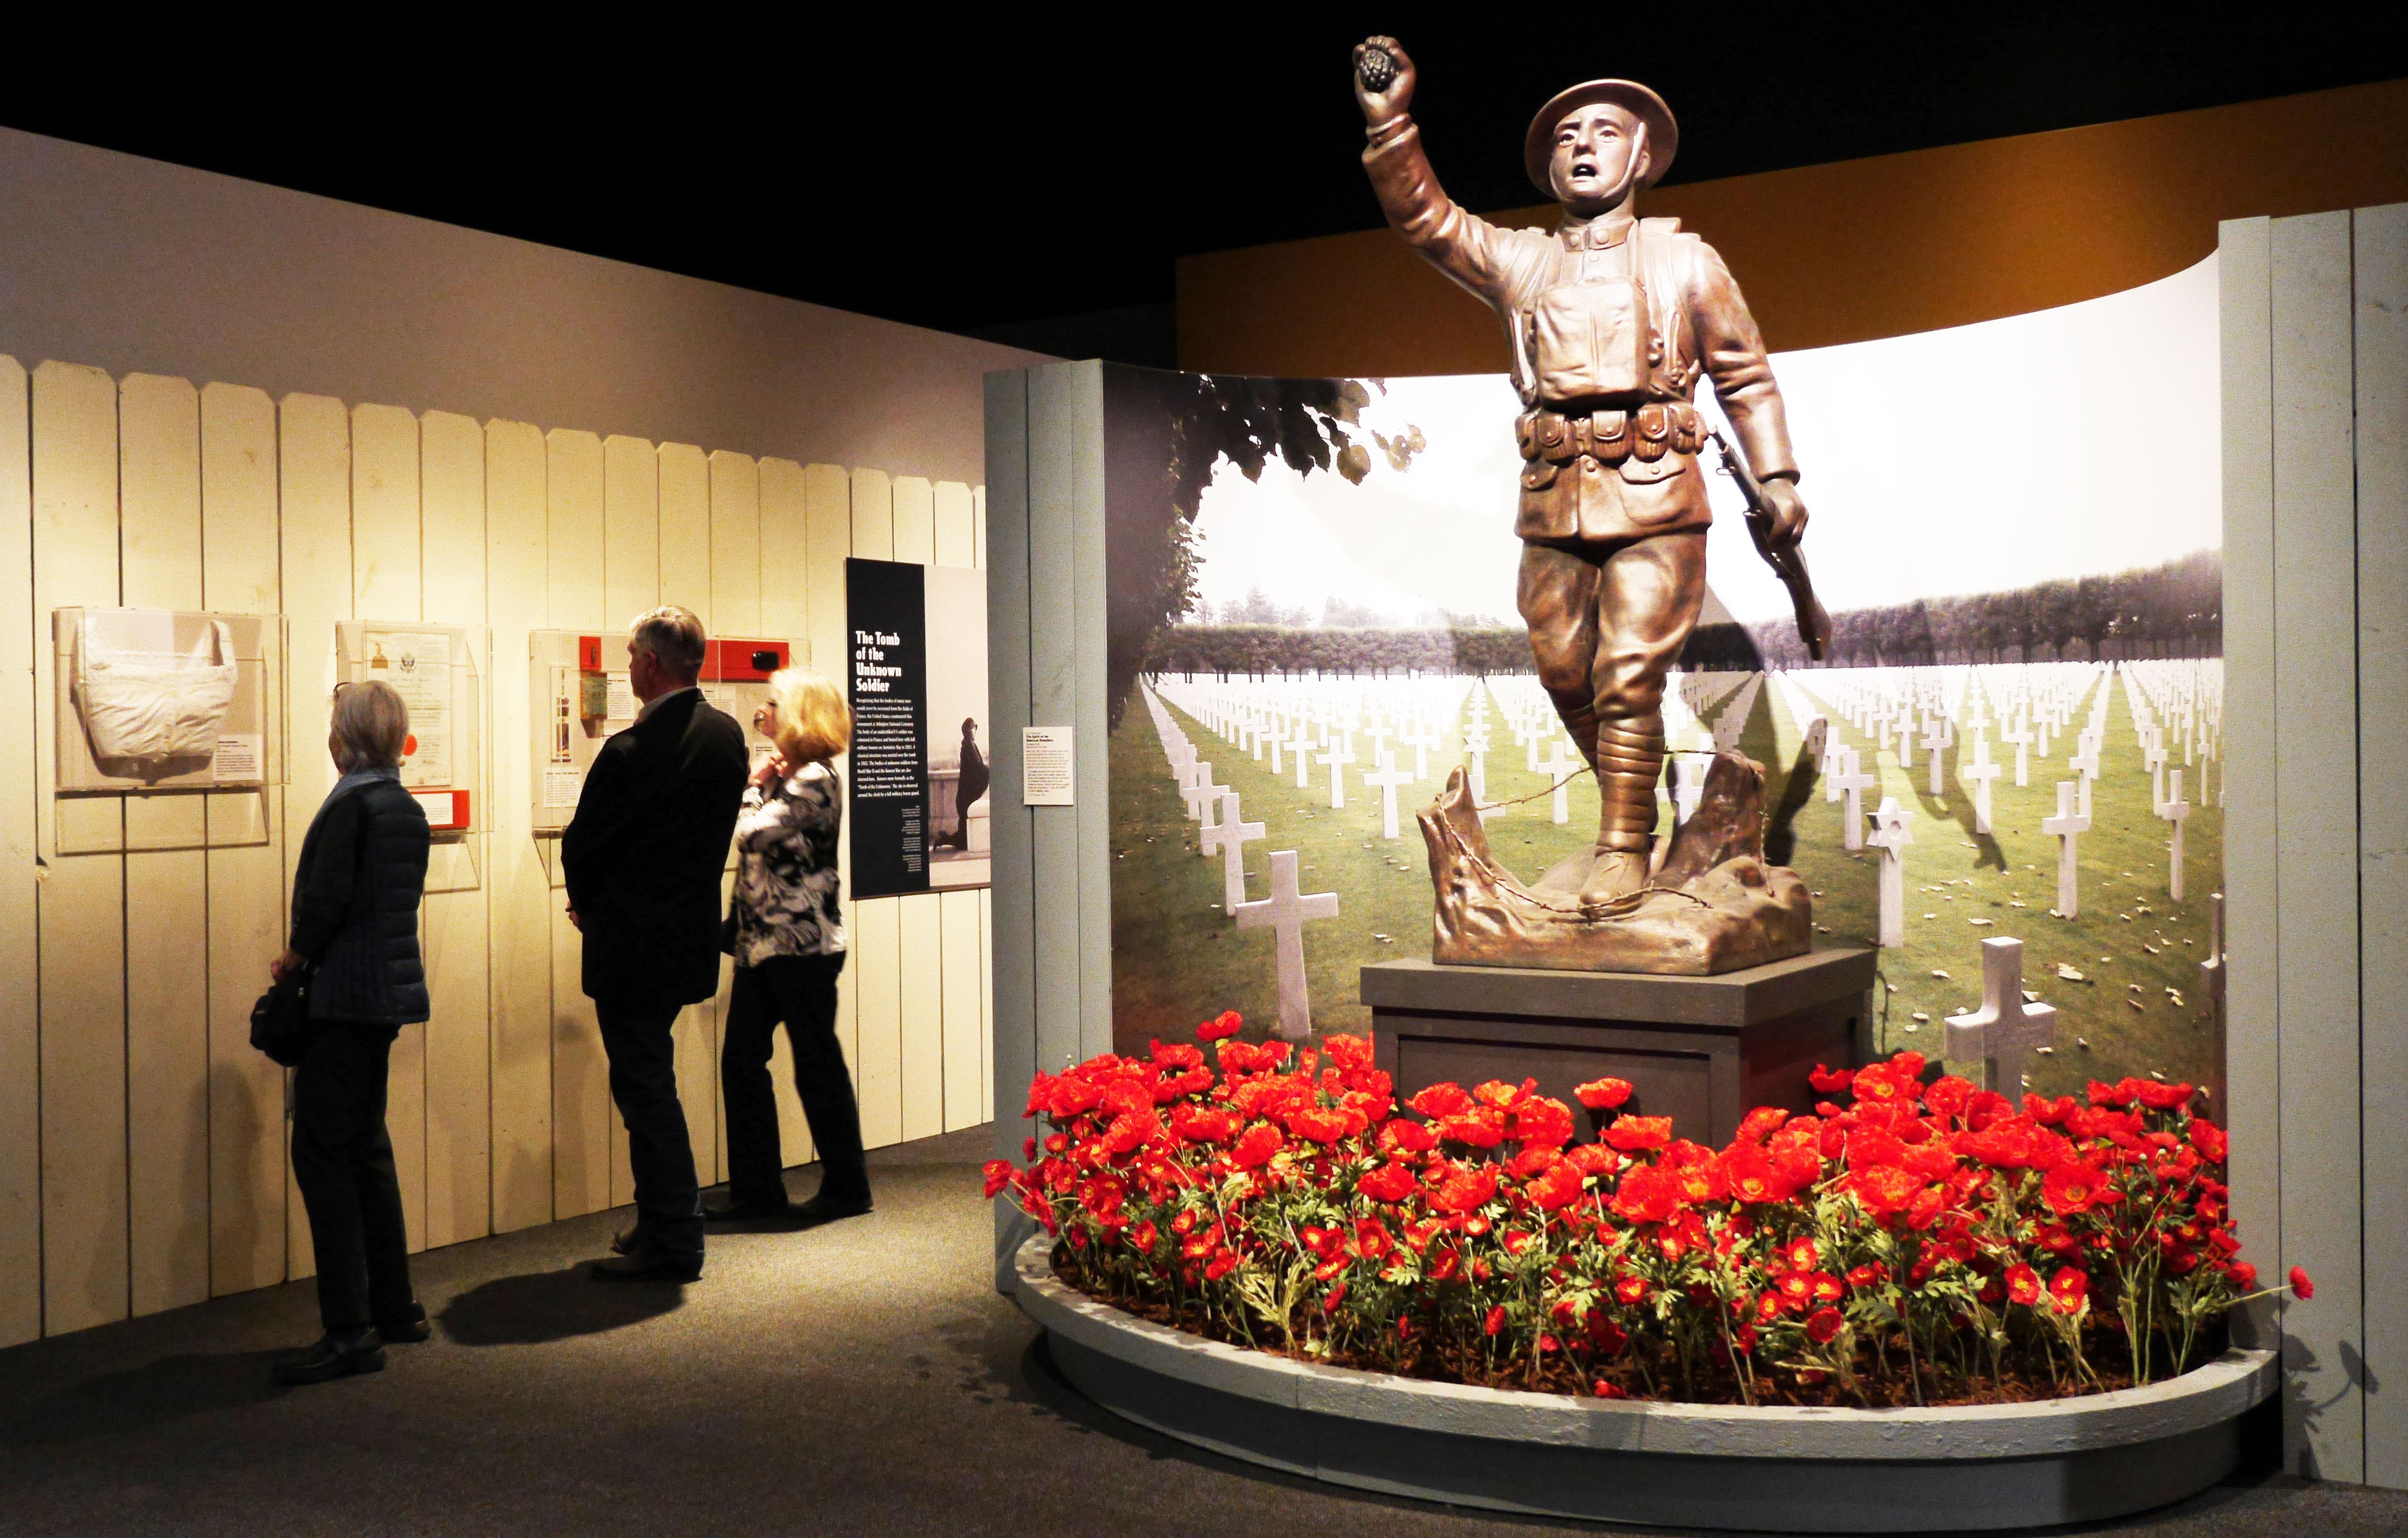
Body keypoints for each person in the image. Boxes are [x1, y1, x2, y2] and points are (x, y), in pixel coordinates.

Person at [1352, 37, 1811, 903]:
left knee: (1627, 672)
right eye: (1564, 136)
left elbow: (1745, 374)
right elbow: (1427, 222)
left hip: (1657, 491)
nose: (1582, 145)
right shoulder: (1521, 260)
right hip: (1552, 496)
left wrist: (1776, 476)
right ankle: (1629, 810)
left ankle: (1621, 844)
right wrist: (1390, 122)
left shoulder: (1686, 260)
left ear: (1640, 155)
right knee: (1563, 670)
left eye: (1602, 130)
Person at [562, 606, 749, 1280]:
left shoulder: (627, 752)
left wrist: (586, 902)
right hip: (686, 940)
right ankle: (659, 1223)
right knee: (650, 1081)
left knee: (645, 1091)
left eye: (632, 657)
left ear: (647, 664)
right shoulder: (727, 737)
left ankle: (675, 1239)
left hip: (629, 948)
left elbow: (586, 843)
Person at [271, 679, 431, 1384]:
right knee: (367, 1149)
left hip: (343, 998)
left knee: (322, 1155)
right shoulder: (403, 806)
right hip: (387, 996)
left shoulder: (351, 807)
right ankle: (395, 1307)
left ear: (347, 737)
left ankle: (348, 1328)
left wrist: (294, 960)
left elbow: (327, 902)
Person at [711, 667, 872, 1223]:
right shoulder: (795, 778)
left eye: (774, 705)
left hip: (803, 949)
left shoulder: (815, 781)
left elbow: (749, 833)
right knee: (743, 1061)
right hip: (764, 946)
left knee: (815, 1064)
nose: (765, 714)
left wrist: (754, 783)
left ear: (800, 714)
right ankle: (756, 1189)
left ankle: (848, 1186)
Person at [943, 718, 987, 850]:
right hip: (967, 794)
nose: (975, 731)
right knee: (964, 828)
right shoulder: (968, 746)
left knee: (964, 827)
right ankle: (946, 839)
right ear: (968, 731)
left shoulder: (969, 745)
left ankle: (947, 839)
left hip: (966, 793)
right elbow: (977, 766)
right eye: (974, 728)